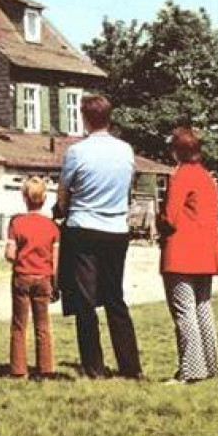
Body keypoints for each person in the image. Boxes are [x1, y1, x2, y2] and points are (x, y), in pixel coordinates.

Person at [56, 94, 142, 380]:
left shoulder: (77, 152)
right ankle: (130, 366)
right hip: (116, 229)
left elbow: (64, 193)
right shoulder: (125, 151)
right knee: (115, 298)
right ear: (109, 117)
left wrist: (62, 211)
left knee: (85, 301)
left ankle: (94, 367)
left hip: (84, 228)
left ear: (84, 118)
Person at [158, 126, 218, 384]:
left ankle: (191, 370)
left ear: (177, 151)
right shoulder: (207, 177)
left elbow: (171, 218)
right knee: (203, 308)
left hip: (182, 253)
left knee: (184, 312)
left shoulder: (180, 175)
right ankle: (209, 366)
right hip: (206, 253)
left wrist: (158, 221)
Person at [5, 175, 60, 379]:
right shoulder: (53, 226)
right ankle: (46, 369)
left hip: (22, 276)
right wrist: (56, 284)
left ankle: (18, 369)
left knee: (19, 325)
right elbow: (55, 261)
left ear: (24, 198)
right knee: (43, 325)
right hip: (44, 278)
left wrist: (18, 259)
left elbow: (10, 254)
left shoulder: (16, 223)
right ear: (45, 199)